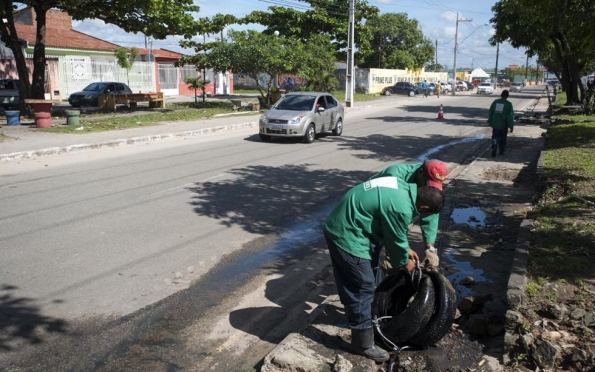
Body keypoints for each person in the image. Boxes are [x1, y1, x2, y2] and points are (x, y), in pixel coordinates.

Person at [323, 178, 444, 362]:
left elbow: (393, 227)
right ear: (424, 209)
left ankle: (359, 317)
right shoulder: (401, 208)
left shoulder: (403, 188)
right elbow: (396, 240)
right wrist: (405, 261)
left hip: (343, 223)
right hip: (349, 234)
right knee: (363, 285)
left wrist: (404, 249)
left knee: (357, 279)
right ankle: (362, 344)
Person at [369, 160, 449, 271]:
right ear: (420, 172)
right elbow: (390, 218)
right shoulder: (394, 176)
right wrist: (394, 251)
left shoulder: (426, 187)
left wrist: (430, 249)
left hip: (396, 218)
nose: (429, 189)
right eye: (427, 184)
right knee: (369, 259)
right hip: (373, 219)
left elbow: (430, 214)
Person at [488, 89, 515, 157]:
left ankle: (494, 148)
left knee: (495, 137)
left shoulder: (495, 102)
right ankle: (501, 151)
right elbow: (510, 116)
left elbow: (490, 112)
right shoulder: (508, 104)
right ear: (507, 96)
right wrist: (511, 126)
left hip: (495, 124)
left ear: (501, 95)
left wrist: (490, 121)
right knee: (503, 138)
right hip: (503, 125)